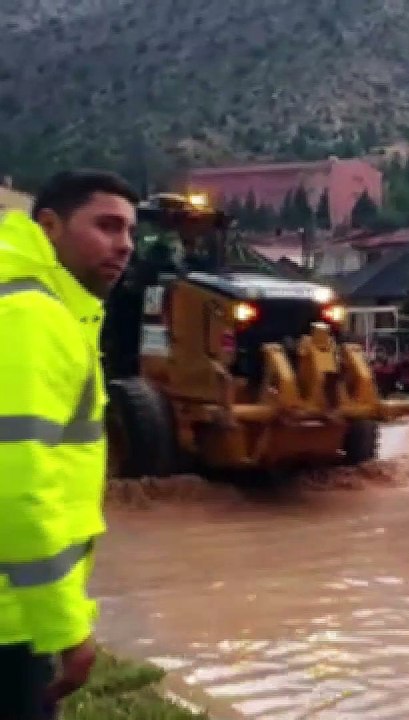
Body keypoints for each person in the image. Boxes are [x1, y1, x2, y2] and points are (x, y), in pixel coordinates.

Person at [0, 170, 138, 719]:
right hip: (12, 623)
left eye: (129, 231)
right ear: (49, 226)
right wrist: (63, 628)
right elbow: (18, 487)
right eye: (106, 226)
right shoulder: (35, 318)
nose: (124, 245)